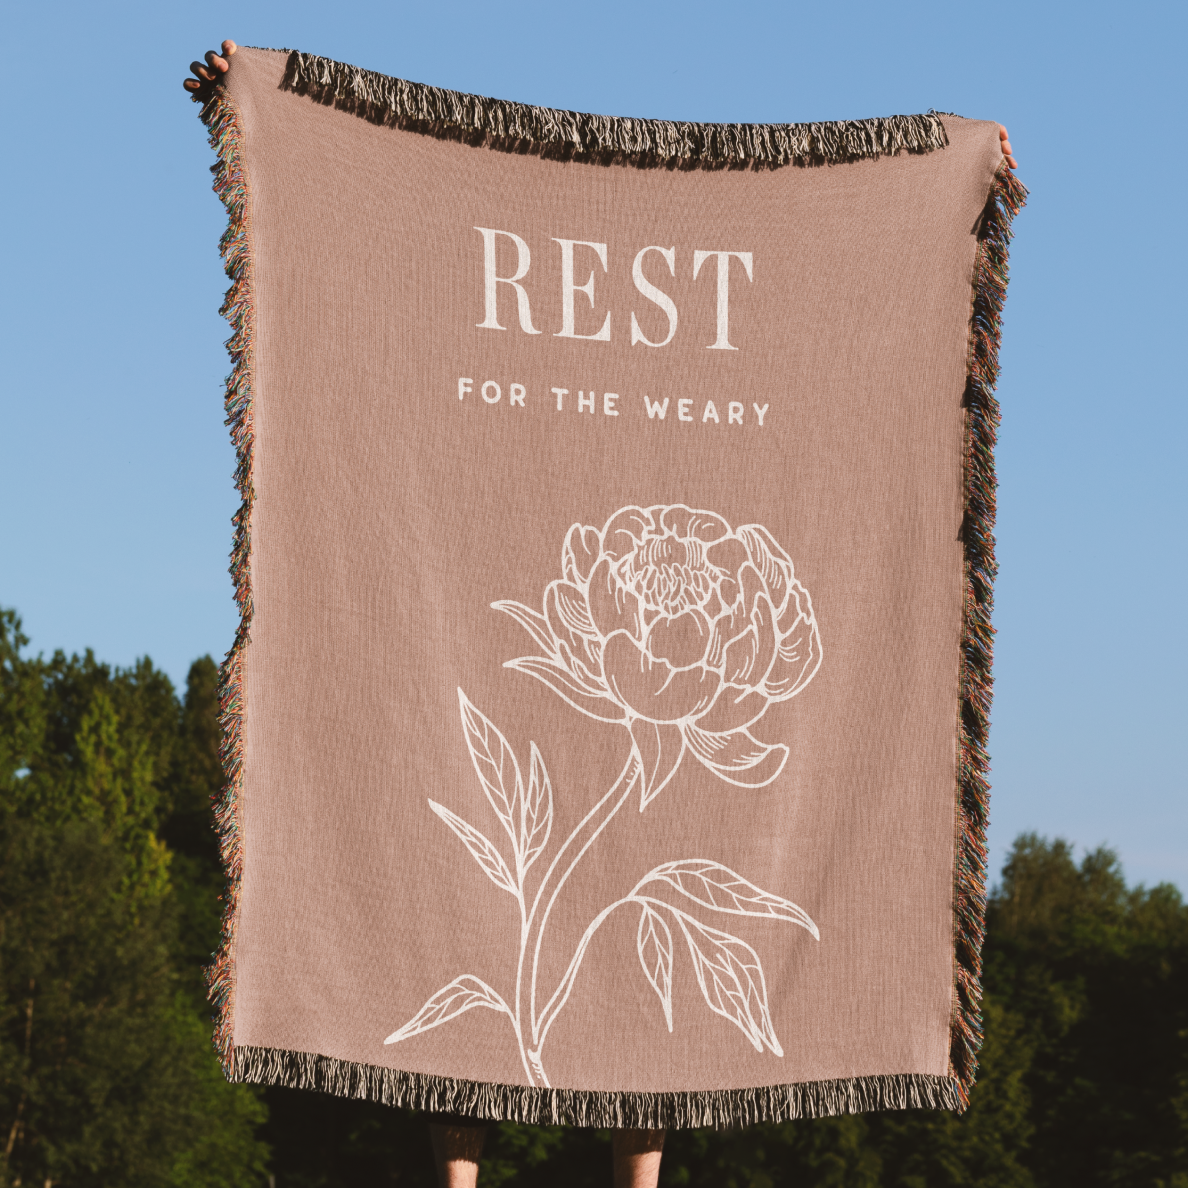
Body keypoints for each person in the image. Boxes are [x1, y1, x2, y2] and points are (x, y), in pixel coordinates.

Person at [182, 40, 1016, 1188]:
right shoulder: (554, 556)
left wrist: (949, 181)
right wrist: (260, 92)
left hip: (637, 707)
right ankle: (459, 1174)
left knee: (661, 869)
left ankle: (636, 1178)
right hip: (543, 655)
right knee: (458, 895)